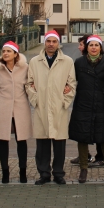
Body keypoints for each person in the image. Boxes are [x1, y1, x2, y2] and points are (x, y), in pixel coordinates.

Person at [27, 29, 77, 185]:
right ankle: (44, 173)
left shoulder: (67, 61)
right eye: (48, 41)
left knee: (59, 142)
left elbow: (72, 84)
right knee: (42, 143)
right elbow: (29, 84)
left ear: (58, 44)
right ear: (44, 42)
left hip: (58, 107)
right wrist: (35, 100)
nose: (51, 44)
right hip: (41, 106)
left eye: (54, 41)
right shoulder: (35, 62)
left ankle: (58, 173)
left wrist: (64, 100)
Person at [69, 35, 104, 183]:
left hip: (102, 105)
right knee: (82, 137)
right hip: (83, 105)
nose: (94, 47)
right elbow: (71, 80)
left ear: (100, 48)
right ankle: (83, 168)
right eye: (91, 45)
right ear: (87, 47)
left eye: (97, 45)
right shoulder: (79, 63)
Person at [0, 41, 32, 184]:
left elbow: (31, 85)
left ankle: (23, 171)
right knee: (3, 139)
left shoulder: (25, 68)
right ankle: (5, 172)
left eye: (9, 51)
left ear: (15, 54)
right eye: (3, 51)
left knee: (21, 140)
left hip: (21, 106)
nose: (5, 53)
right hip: (2, 106)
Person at [70, 34, 104, 168]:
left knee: (100, 130)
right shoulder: (79, 62)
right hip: (83, 103)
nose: (79, 47)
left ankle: (100, 156)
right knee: (82, 128)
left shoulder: (103, 63)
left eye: (81, 45)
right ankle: (85, 155)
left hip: (98, 103)